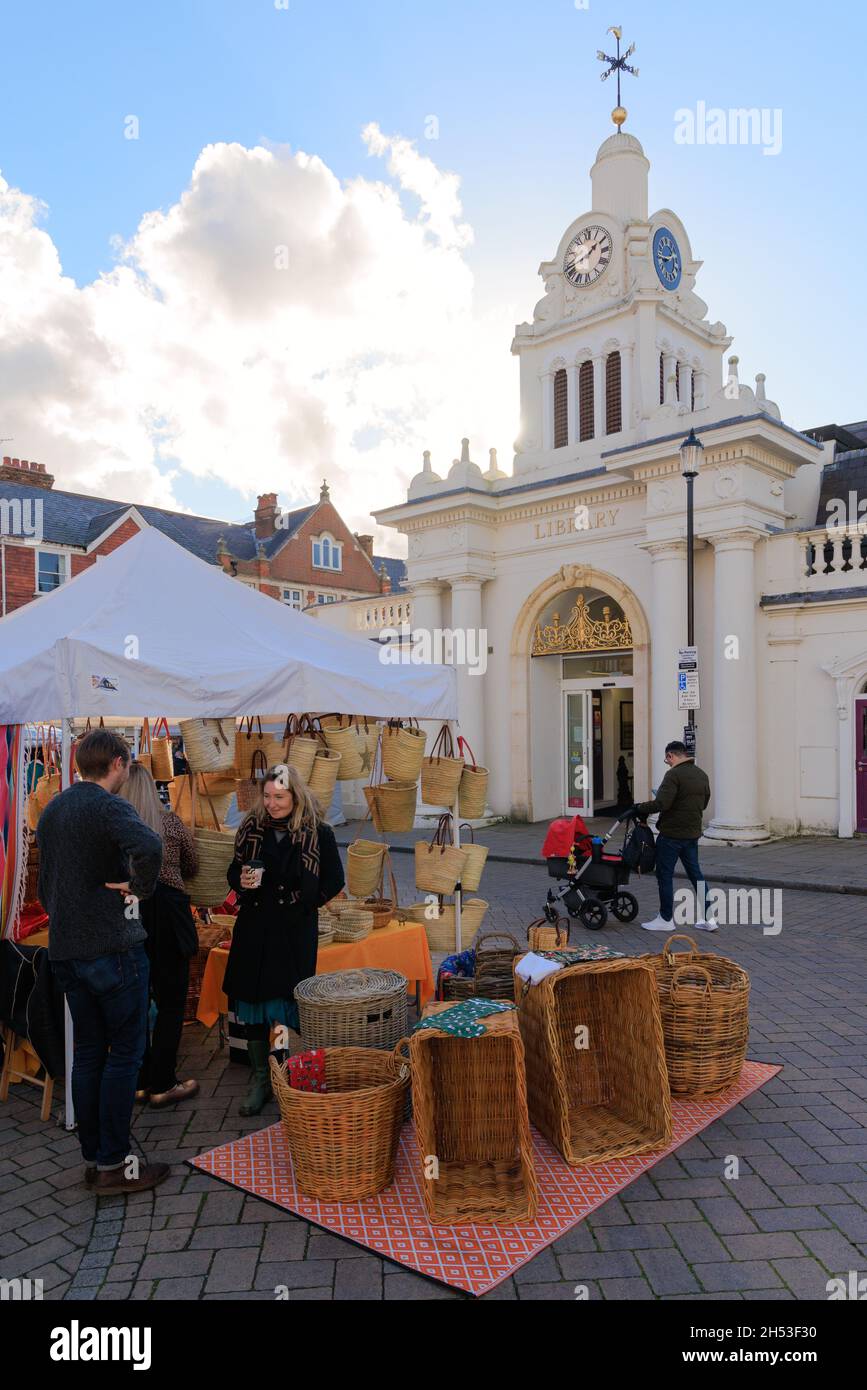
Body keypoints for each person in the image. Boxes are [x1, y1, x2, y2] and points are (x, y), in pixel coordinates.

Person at [37, 729, 169, 1194]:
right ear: (116, 762)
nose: (129, 767)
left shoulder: (55, 808)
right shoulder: (109, 805)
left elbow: (44, 883)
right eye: (127, 760)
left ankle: (95, 1156)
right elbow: (151, 847)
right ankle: (114, 1162)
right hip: (111, 949)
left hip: (67, 951)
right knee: (125, 1055)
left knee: (90, 1054)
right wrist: (141, 888)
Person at [223, 764, 345, 1116]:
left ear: (295, 795)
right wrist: (240, 881)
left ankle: (286, 1077)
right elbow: (234, 869)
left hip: (293, 931)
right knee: (254, 1004)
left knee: (283, 1003)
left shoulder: (317, 832)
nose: (272, 804)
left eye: (279, 796)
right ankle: (261, 1079)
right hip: (255, 927)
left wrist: (306, 902)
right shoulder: (251, 827)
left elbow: (335, 879)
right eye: (267, 796)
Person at [119, 762, 201, 1108]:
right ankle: (163, 1083)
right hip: (167, 914)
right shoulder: (168, 823)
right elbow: (194, 864)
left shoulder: (115, 828)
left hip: (129, 911)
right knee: (170, 1002)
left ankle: (140, 1080)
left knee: (136, 1000)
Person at [633, 740, 716, 932]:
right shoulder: (701, 774)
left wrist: (639, 808)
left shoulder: (673, 775)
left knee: (664, 875)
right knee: (696, 875)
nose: (667, 763)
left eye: (667, 760)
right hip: (692, 833)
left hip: (671, 834)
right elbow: (704, 803)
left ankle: (666, 918)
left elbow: (662, 803)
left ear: (671, 756)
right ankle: (710, 919)